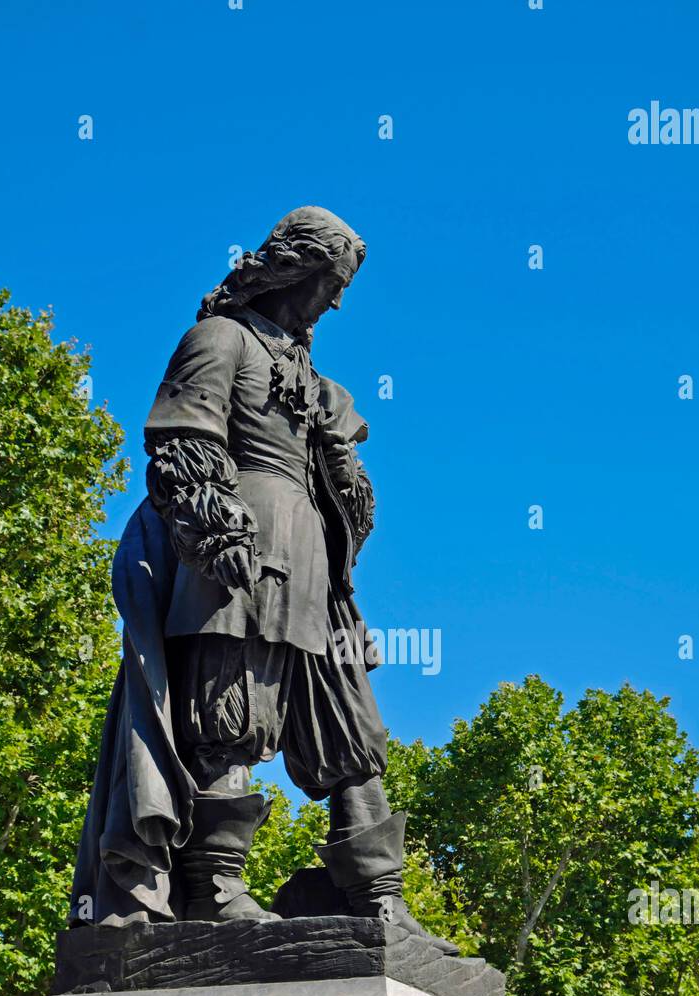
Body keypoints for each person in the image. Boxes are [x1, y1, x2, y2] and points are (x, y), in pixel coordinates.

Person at [70, 205, 457, 954]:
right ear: (295, 268)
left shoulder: (316, 380)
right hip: (240, 557)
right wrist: (220, 537)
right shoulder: (219, 340)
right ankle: (214, 889)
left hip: (318, 572)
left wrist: (346, 471)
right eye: (330, 281)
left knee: (352, 733)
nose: (336, 301)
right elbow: (182, 441)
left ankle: (379, 898)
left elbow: (348, 497)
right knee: (230, 719)